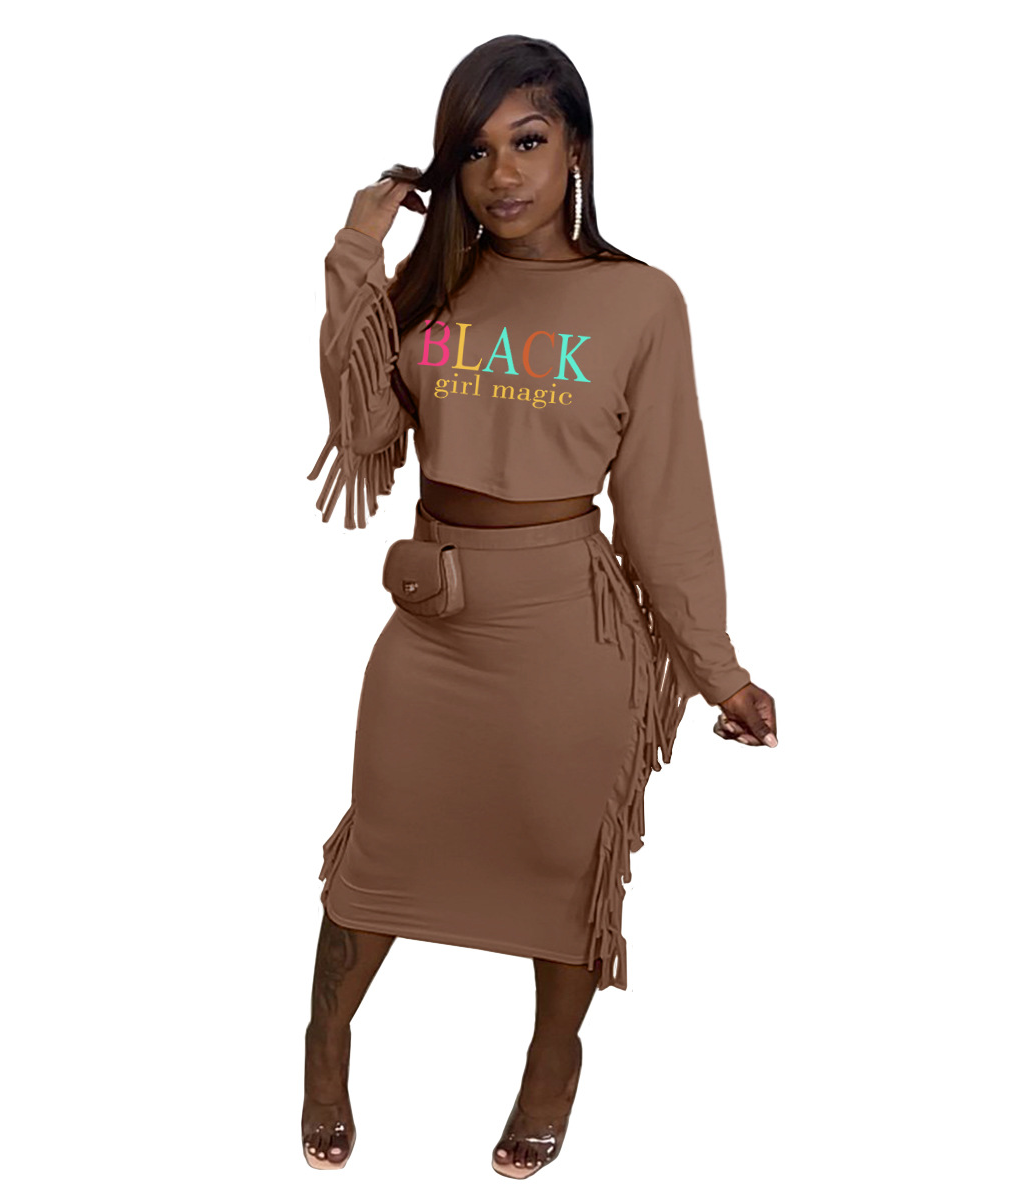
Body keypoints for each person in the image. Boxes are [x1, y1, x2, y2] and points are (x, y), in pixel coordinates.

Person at [300, 34, 778, 1176]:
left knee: (567, 861)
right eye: (474, 152)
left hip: (570, 629)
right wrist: (357, 255)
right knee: (378, 851)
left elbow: (666, 502)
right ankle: (325, 1043)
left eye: (527, 142)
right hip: (433, 629)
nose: (501, 174)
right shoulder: (434, 287)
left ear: (576, 150)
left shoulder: (640, 301)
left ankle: (551, 1059)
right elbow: (364, 432)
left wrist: (715, 669)